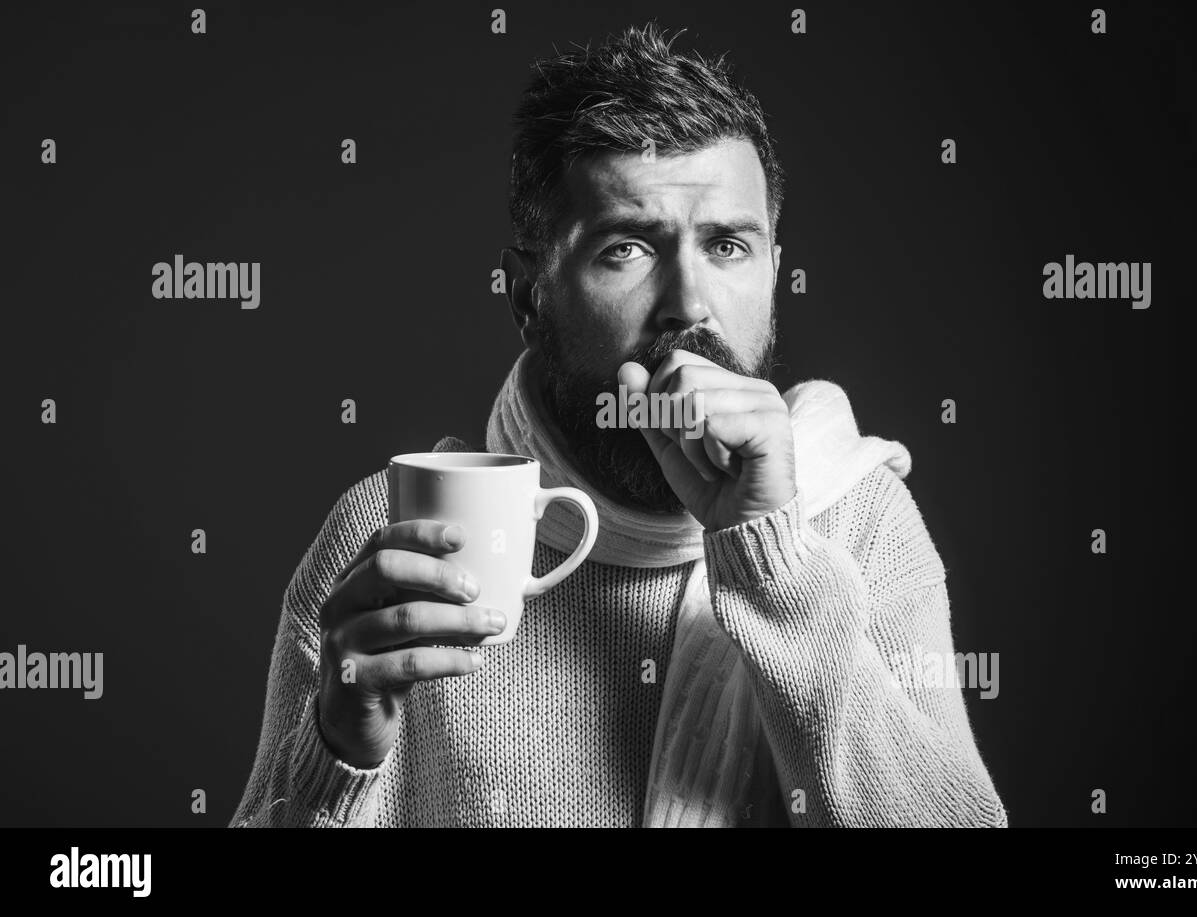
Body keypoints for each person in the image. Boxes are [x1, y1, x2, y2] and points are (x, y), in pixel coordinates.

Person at [230, 22, 1008, 828]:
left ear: (777, 268)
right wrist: (339, 750)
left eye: (728, 246)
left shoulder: (864, 522)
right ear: (527, 295)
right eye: (627, 248)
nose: (690, 303)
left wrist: (773, 556)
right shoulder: (393, 538)